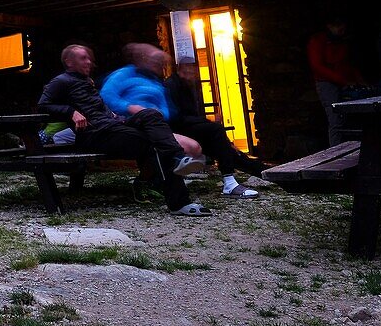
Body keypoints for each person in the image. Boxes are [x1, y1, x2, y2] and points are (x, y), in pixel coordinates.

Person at [37, 43, 211, 217]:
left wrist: (114, 115)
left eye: (89, 58)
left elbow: (98, 107)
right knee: (154, 144)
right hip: (97, 134)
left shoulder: (86, 81)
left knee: (150, 114)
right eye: (83, 58)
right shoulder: (61, 81)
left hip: (113, 126)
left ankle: (177, 158)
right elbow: (43, 105)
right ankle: (179, 202)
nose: (89, 62)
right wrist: (71, 112)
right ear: (69, 62)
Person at [164, 55, 267, 199]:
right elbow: (177, 118)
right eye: (191, 68)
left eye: (195, 69)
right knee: (217, 132)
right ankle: (230, 182)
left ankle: (266, 172)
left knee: (227, 149)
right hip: (180, 131)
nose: (194, 72)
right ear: (183, 68)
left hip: (191, 128)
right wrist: (208, 121)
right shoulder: (171, 85)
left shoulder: (189, 85)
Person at [307, 18, 365, 146]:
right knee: (336, 120)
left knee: (348, 119)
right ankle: (336, 153)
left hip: (344, 83)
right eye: (339, 27)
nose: (342, 31)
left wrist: (358, 80)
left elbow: (348, 63)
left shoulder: (341, 41)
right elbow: (318, 66)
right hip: (327, 83)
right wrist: (342, 80)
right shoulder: (318, 41)